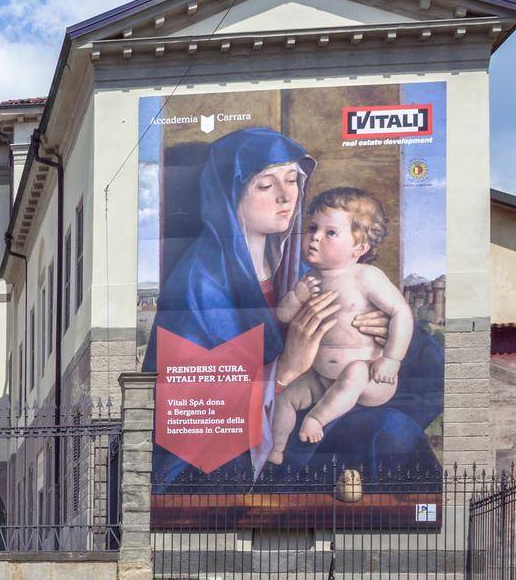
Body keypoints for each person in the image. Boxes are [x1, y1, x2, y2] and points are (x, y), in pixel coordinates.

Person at [143, 126, 442, 489]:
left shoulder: (304, 267)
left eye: (292, 181)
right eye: (266, 186)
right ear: (229, 194)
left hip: (319, 412)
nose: (287, 197)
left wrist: (380, 331)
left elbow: (426, 365)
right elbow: (189, 403)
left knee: (395, 431)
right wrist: (284, 369)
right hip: (237, 451)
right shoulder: (199, 282)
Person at [269, 188, 413, 463]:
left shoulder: (365, 277)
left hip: (371, 379)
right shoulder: (309, 279)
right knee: (286, 398)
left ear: (359, 248)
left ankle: (316, 419)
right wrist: (298, 296)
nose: (315, 237)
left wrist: (392, 359)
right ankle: (276, 448)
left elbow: (401, 313)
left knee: (355, 372)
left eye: (330, 233)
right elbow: (284, 316)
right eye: (313, 228)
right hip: (321, 378)